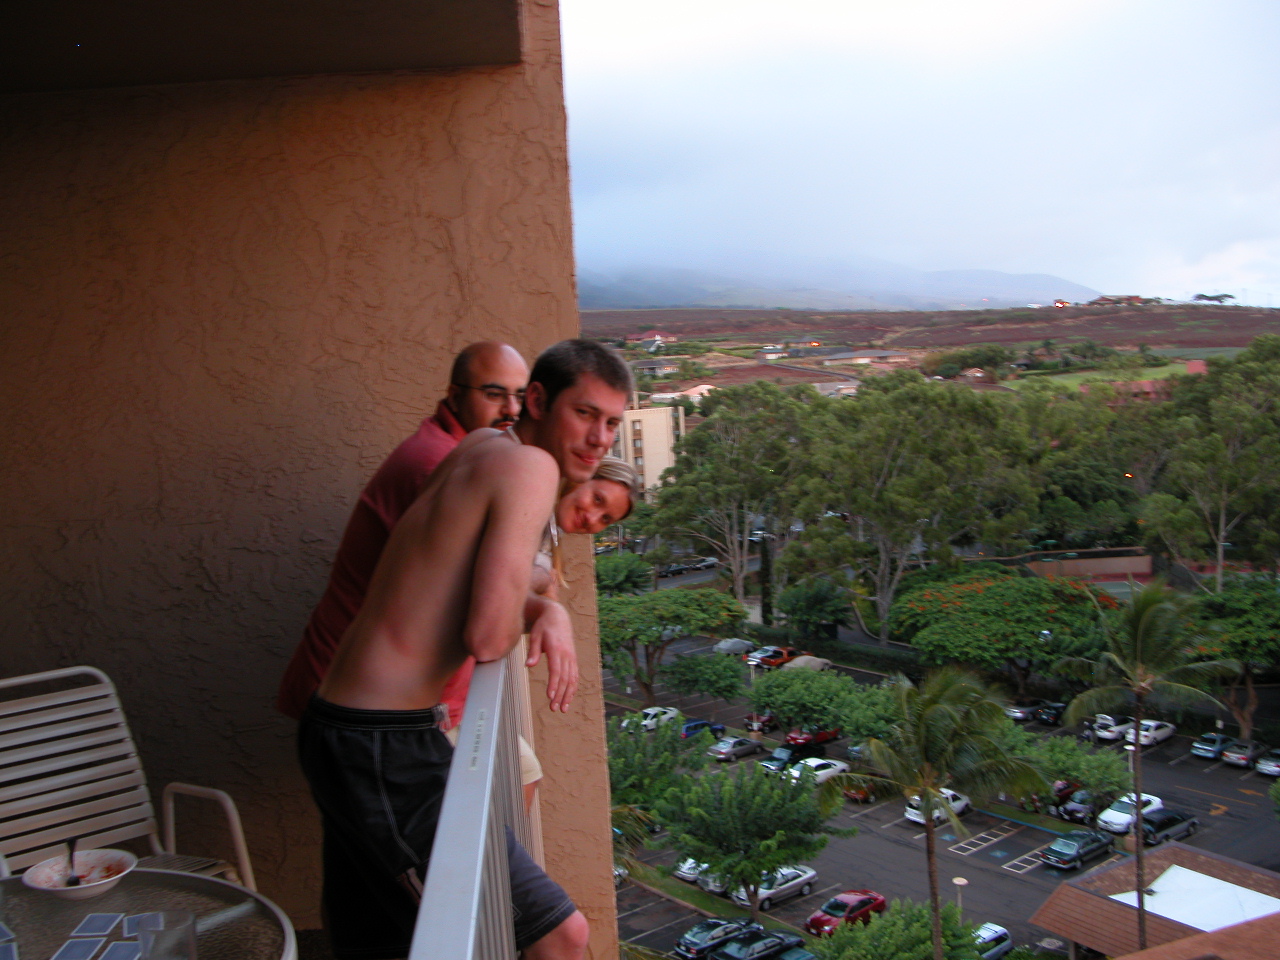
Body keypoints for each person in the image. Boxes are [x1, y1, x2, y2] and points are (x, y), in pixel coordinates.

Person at [298, 339, 632, 960]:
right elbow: (486, 634)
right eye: (585, 413)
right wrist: (542, 607)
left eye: (612, 423)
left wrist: (544, 607)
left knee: (376, 939)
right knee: (562, 936)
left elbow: (464, 578)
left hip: (341, 724)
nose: (599, 439)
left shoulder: (479, 445)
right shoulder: (531, 469)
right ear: (538, 401)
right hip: (381, 742)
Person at [277, 340, 531, 721]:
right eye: (494, 394)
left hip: (378, 697)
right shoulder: (439, 465)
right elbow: (485, 604)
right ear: (455, 396)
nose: (511, 409)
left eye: (520, 396)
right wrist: (545, 601)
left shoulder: (463, 454)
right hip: (360, 702)